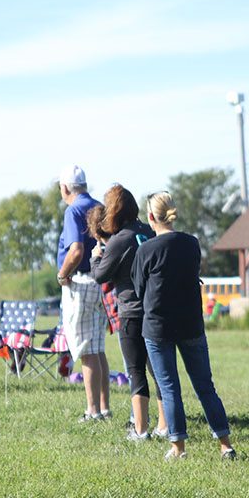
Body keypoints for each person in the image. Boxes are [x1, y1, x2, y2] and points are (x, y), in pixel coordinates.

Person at [132, 192, 235, 461]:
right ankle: (225, 444)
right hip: (191, 323)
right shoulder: (192, 243)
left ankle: (178, 447)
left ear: (151, 217)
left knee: (169, 388)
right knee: (205, 385)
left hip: (158, 326)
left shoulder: (145, 250)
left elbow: (138, 288)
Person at [90, 185, 167, 441]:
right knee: (159, 371)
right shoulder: (148, 230)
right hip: (155, 309)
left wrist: (96, 257)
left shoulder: (120, 239)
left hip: (131, 312)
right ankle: (164, 427)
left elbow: (101, 275)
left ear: (113, 210)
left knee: (136, 371)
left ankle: (141, 429)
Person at [57, 165, 111, 422]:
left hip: (81, 282)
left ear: (65, 187)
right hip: (100, 282)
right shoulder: (99, 206)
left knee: (87, 350)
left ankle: (93, 411)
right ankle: (104, 407)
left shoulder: (73, 210)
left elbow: (76, 251)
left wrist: (61, 274)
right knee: (98, 348)